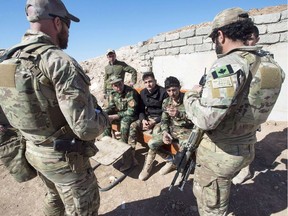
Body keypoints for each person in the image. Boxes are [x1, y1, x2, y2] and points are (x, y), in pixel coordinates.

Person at [0, 0, 109, 215]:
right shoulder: (58, 62)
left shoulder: (7, 60)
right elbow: (85, 128)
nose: (69, 31)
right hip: (65, 161)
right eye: (68, 24)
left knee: (54, 198)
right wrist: (103, 118)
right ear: (58, 22)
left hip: (33, 152)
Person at [184, 7, 285, 215]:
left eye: (214, 39)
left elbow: (206, 119)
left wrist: (191, 97)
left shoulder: (228, 65)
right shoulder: (268, 62)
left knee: (211, 206)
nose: (215, 45)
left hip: (220, 154)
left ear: (220, 35)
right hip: (246, 145)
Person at [138, 76, 194, 181]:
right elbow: (164, 120)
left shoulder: (188, 100)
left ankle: (174, 164)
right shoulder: (166, 101)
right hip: (172, 130)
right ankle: (147, 167)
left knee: (185, 150)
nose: (172, 93)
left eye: (174, 90)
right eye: (169, 91)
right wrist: (165, 133)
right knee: (152, 143)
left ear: (179, 87)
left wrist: (179, 114)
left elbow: (196, 119)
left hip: (187, 131)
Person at [126, 72, 168, 171]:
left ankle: (154, 161)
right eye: (146, 82)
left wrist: (154, 121)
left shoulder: (163, 92)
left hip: (160, 118)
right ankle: (131, 157)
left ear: (155, 81)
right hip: (148, 117)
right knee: (133, 126)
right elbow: (141, 109)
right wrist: (143, 120)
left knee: (156, 133)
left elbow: (166, 111)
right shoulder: (143, 93)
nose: (148, 84)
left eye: (150, 81)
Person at [102, 75, 139, 171]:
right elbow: (112, 106)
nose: (118, 87)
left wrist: (115, 116)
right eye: (115, 85)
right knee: (105, 119)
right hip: (121, 114)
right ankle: (107, 146)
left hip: (132, 116)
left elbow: (131, 112)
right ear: (112, 86)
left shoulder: (130, 92)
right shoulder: (113, 93)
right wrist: (104, 113)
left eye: (119, 84)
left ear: (122, 82)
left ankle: (127, 160)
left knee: (124, 123)